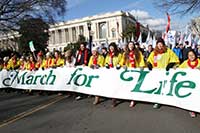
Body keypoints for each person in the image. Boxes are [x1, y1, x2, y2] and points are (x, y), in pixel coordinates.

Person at [147, 37, 179, 109]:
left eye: (161, 44)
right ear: (157, 45)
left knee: (165, 87)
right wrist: (149, 64)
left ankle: (165, 100)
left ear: (163, 44)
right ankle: (157, 101)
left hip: (165, 72)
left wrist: (171, 64)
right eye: (158, 44)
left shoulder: (168, 51)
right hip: (157, 73)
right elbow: (150, 60)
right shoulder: (154, 52)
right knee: (157, 87)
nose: (160, 45)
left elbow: (175, 59)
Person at [120, 41, 145, 107]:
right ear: (128, 46)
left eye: (132, 44)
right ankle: (131, 98)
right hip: (128, 72)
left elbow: (141, 60)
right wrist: (123, 65)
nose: (131, 46)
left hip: (135, 71)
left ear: (134, 45)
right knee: (130, 86)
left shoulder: (138, 53)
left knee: (135, 86)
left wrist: (142, 66)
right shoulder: (125, 53)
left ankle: (133, 99)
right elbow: (122, 62)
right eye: (129, 45)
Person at [179, 49, 200, 118]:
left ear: (195, 55)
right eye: (189, 55)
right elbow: (179, 69)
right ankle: (191, 110)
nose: (191, 56)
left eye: (192, 55)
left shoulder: (199, 61)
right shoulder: (185, 63)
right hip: (189, 85)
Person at [104, 42, 122, 107]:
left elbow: (121, 61)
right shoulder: (108, 55)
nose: (111, 48)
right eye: (110, 47)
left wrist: (119, 64)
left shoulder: (119, 54)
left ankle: (114, 100)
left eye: (112, 47)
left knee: (116, 86)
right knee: (111, 86)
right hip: (110, 72)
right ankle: (112, 98)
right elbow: (106, 61)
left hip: (116, 72)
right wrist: (106, 64)